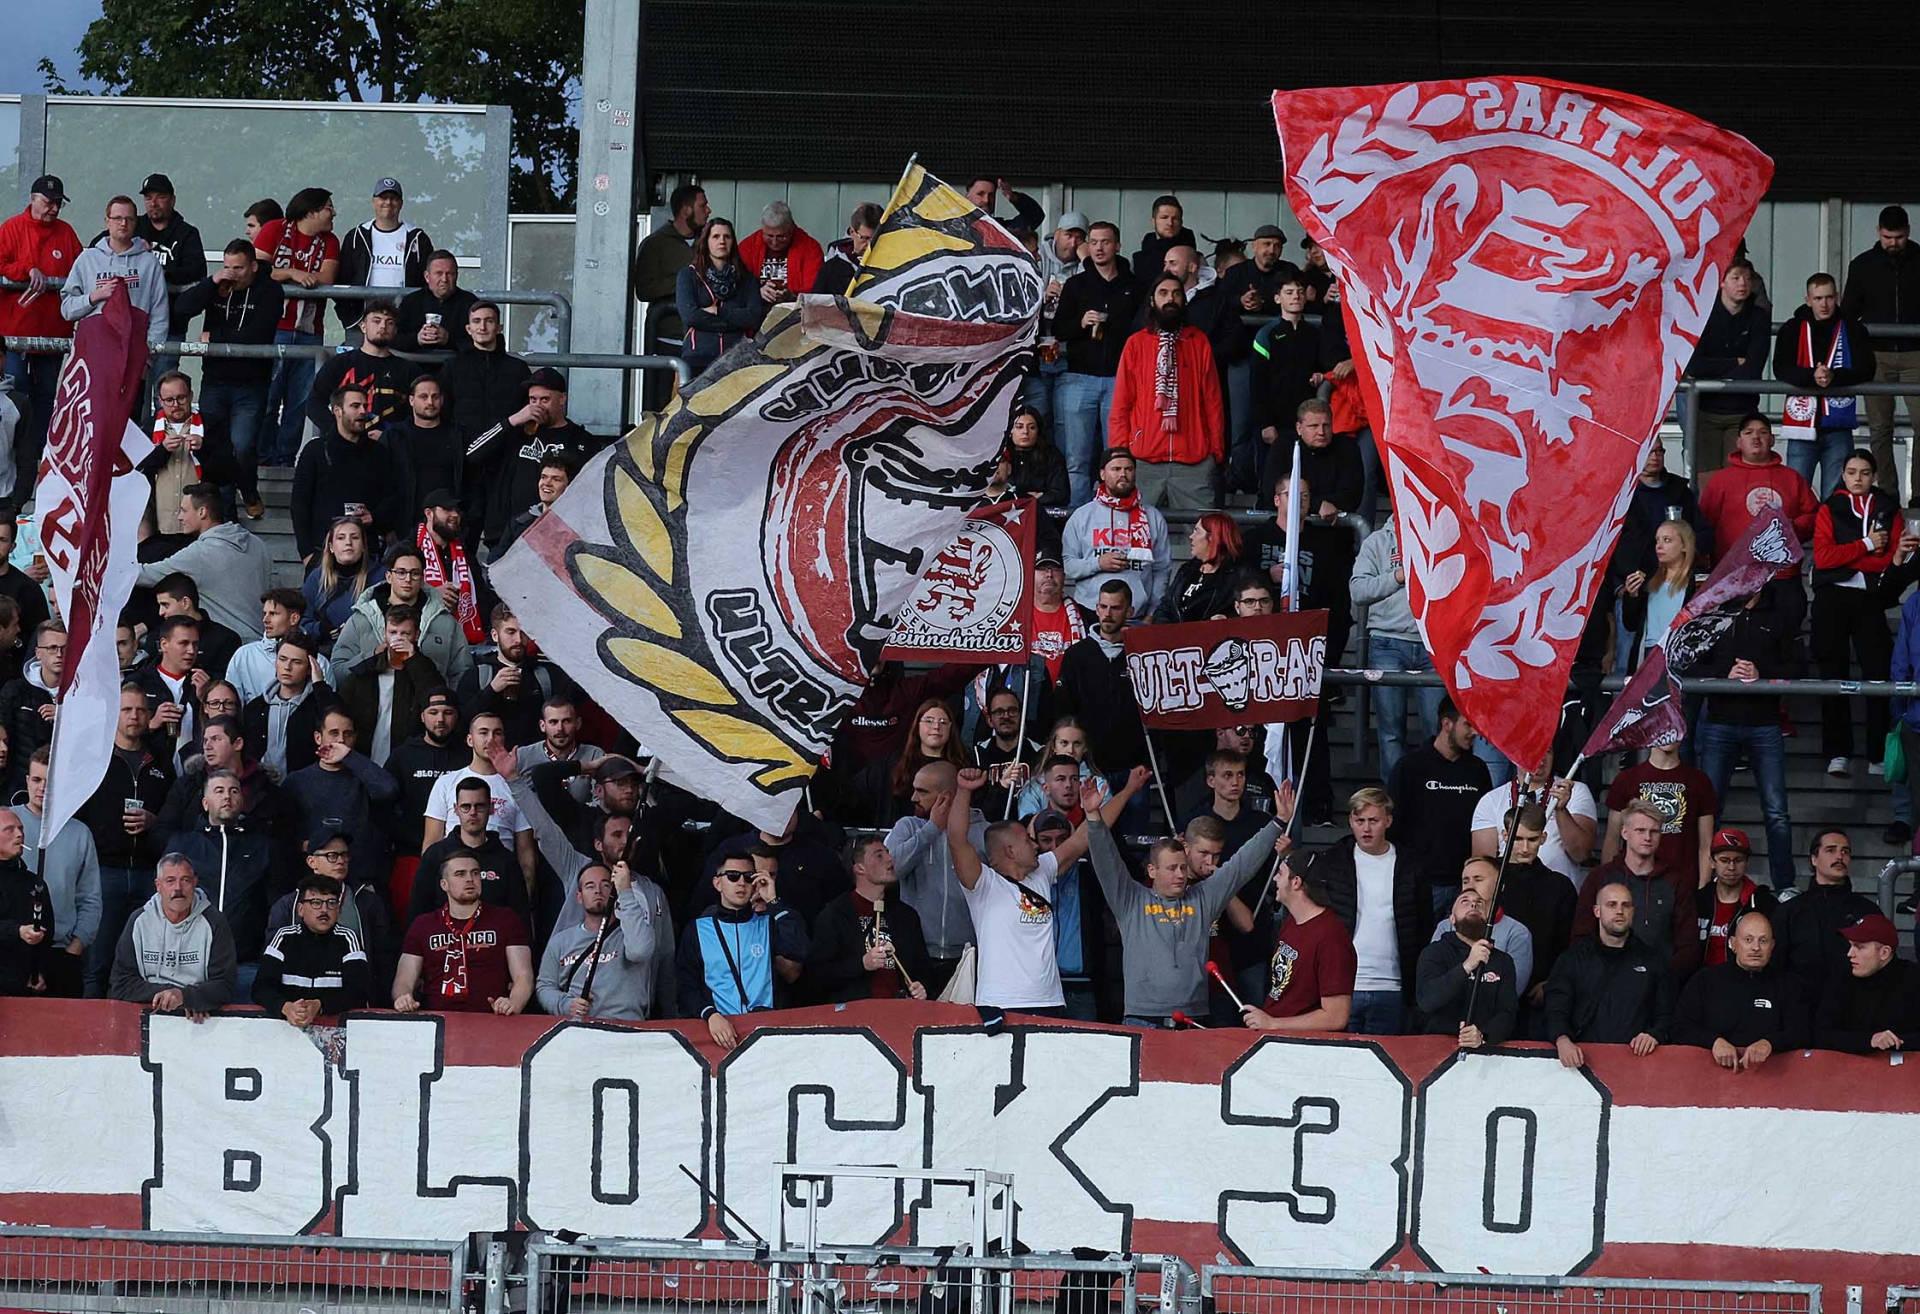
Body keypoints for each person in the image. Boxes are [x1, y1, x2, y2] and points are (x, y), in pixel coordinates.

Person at [1091, 769, 1282, 1027]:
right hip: (1142, 1017)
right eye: (1171, 868)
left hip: (1194, 1018)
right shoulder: (1130, 899)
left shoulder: (1202, 897)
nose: (1180, 875)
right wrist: (1093, 818)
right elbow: (1106, 861)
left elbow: (1242, 864)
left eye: (1183, 867)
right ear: (1152, 870)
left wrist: (1278, 822)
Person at [945, 765, 1101, 1016]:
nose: (1036, 845)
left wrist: (1125, 791)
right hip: (1001, 1004)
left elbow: (1082, 838)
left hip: (1051, 1003)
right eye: (1028, 840)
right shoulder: (983, 884)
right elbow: (956, 839)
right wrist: (963, 791)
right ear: (1010, 850)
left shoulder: (1042, 871)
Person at [1693, 584, 1800, 890]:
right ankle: (1703, 883)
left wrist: (1761, 673)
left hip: (1765, 723)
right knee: (1709, 809)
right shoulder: (1715, 615)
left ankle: (1784, 886)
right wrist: (1724, 673)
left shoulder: (1780, 616)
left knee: (1776, 811)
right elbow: (1692, 663)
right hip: (1719, 722)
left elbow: (1798, 666)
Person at [174, 241, 283, 518]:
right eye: (227, 267)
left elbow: (259, 335)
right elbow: (182, 308)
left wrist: (213, 338)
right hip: (214, 381)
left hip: (251, 384)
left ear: (254, 266)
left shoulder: (270, 290)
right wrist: (211, 282)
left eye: (239, 268)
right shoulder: (218, 286)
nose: (232, 273)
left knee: (242, 445)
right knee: (214, 447)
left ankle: (248, 490)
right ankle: (225, 512)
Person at [1307, 787, 1429, 1035]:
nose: (1366, 828)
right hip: (1342, 987)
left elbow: (1424, 924)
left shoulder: (1411, 864)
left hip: (1393, 986)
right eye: (1359, 820)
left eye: (1373, 821)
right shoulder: (1332, 861)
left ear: (1388, 821)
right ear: (1350, 821)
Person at [81, 685, 175, 997]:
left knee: (146, 963)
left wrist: (154, 822)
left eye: (140, 710)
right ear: (114, 714)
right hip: (104, 871)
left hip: (149, 872)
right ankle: (92, 1024)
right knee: (97, 961)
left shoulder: (161, 761)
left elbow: (174, 815)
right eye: (126, 710)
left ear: (149, 717)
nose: (134, 716)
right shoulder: (95, 759)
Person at [1811, 449, 1899, 775]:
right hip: (1830, 597)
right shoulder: (1828, 507)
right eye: (1851, 472)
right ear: (1843, 475)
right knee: (1832, 673)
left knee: (1878, 672)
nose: (1857, 478)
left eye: (1864, 472)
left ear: (1875, 476)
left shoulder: (1888, 508)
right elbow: (1822, 558)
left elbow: (1890, 559)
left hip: (1869, 598)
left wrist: (1848, 559)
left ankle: (1877, 754)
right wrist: (1866, 545)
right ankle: (1838, 752)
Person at [1107, 273, 1225, 509]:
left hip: (1193, 460)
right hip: (1143, 460)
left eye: (1176, 293)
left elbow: (1212, 401)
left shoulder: (1198, 341)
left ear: (1184, 300)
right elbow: (1122, 402)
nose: (1170, 299)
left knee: (1198, 528)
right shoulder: (1136, 343)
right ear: (1152, 300)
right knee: (1137, 528)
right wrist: (1120, 452)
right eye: (1163, 293)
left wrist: (1215, 450)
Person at [1054, 222, 1147, 508]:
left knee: (1118, 456)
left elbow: (1143, 331)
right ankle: (1077, 519)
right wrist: (1081, 322)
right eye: (1093, 242)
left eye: (1105, 242)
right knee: (1076, 458)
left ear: (1118, 245)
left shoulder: (1135, 286)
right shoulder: (1076, 285)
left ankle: (1116, 513)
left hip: (1120, 379)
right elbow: (1058, 330)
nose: (1098, 247)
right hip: (1078, 377)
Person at [678, 852, 809, 1048]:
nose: (741, 883)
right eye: (733, 876)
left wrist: (773, 901)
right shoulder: (698, 929)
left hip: (766, 1033)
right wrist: (709, 1014)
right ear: (717, 883)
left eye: (748, 877)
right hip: (719, 1034)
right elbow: (685, 984)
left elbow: (799, 951)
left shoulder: (769, 923)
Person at [168, 770, 281, 994]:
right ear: (205, 803)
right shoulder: (182, 845)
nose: (227, 796)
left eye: (234, 791)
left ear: (242, 801)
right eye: (219, 791)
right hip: (188, 965)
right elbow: (165, 902)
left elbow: (276, 905)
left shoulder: (263, 846)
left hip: (246, 963)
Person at [463, 367, 601, 548]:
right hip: (507, 534)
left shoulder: (582, 441)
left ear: (562, 399)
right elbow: (473, 454)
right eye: (532, 400)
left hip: (558, 538)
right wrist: (512, 421)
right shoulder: (515, 431)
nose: (537, 406)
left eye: (545, 400)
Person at [0, 175, 82, 473]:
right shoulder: (11, 229)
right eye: (49, 202)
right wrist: (26, 270)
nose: (54, 209)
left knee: (47, 396)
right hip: (15, 334)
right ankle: (11, 460)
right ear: (33, 199)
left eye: (59, 203)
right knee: (14, 394)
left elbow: (82, 269)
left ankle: (39, 462)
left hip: (53, 334)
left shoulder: (66, 233)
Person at [1546, 881, 1673, 1067]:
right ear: (1597, 911)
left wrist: (1654, 1034)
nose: (1619, 911)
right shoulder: (1572, 959)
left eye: (1626, 905)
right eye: (1612, 905)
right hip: (1581, 1064)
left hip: (1636, 1063)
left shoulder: (1654, 961)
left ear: (1633, 911)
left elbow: (1667, 1014)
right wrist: (1562, 1040)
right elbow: (1555, 1008)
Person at [1351, 517, 1442, 779]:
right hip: (1387, 642)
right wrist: (1398, 576)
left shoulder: (1441, 536)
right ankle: (1395, 797)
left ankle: (1433, 792)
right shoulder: (1378, 540)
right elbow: (1358, 590)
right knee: (1391, 731)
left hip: (1433, 643)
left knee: (1437, 730)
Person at [255, 187, 340, 464]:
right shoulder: (274, 229)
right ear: (311, 211)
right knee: (269, 398)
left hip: (309, 332)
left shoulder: (330, 241)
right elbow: (256, 270)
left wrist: (288, 276)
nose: (334, 213)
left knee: (299, 403)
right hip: (273, 328)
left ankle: (285, 460)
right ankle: (263, 458)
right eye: (328, 207)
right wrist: (293, 272)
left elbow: (326, 277)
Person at [1773, 272, 1876, 499]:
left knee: (1836, 498)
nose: (1824, 304)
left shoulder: (1853, 329)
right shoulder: (1792, 328)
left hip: (1838, 427)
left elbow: (1867, 368)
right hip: (1801, 425)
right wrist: (1812, 376)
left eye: (1829, 298)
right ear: (1808, 300)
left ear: (1837, 297)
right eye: (1818, 298)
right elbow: (1780, 368)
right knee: (1796, 496)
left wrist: (1834, 377)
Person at [393, 849, 533, 1015]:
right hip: (436, 1019)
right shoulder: (423, 925)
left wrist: (513, 1004)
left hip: (491, 1018)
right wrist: (403, 999)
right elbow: (403, 980)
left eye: (475, 873)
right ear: (444, 885)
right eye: (460, 874)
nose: (469, 879)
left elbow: (523, 977)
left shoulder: (506, 919)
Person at [1385, 698, 1490, 913]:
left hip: (1466, 885)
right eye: (1468, 725)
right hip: (1421, 885)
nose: (1475, 732)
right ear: (1446, 724)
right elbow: (1393, 825)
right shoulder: (1409, 767)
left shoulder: (1477, 769)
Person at [1843, 205, 1920, 496]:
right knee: (1879, 429)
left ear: (1908, 231)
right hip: (1876, 356)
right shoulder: (1862, 265)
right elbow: (1849, 313)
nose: (1893, 243)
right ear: (1878, 232)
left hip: (1916, 354)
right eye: (1888, 237)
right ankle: (1887, 494)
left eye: (1898, 237)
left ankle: (1919, 495)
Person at [1574, 801, 1697, 980]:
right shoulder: (1599, 878)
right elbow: (1581, 935)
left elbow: (1688, 946)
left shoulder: (1676, 882)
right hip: (1604, 981)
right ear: (1625, 833)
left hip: (1659, 982)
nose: (1648, 837)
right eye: (1640, 830)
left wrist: (1661, 978)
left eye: (1654, 831)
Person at [135, 483, 275, 641]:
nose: (180, 517)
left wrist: (112, 565)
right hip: (261, 644)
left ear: (202, 512)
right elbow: (275, 591)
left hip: (227, 646)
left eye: (184, 510)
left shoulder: (199, 553)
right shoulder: (258, 544)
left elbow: (145, 575)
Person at [1672, 910, 1810, 1068]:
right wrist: (1714, 1042)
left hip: (1771, 1076)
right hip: (1710, 1076)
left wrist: (1770, 1043)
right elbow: (1679, 1028)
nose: (1756, 947)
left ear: (1772, 945)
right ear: (1733, 943)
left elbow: (1802, 1032)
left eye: (1763, 940)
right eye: (1748, 940)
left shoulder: (1789, 985)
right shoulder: (1705, 980)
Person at [108, 853, 237, 1018]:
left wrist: (186, 997)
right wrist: (176, 997)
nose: (178, 888)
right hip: (148, 1013)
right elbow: (120, 984)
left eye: (185, 880)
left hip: (199, 1020)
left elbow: (225, 985)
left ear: (195, 883)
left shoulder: (215, 922)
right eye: (170, 881)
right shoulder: (139, 921)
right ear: (158, 886)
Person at [807, 836, 934, 1004]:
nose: (889, 858)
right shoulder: (834, 915)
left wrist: (921, 987)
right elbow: (818, 976)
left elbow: (923, 969)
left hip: (899, 1010)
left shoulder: (906, 915)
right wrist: (862, 964)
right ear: (859, 868)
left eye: (887, 853)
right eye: (879, 855)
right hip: (854, 1013)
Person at [282, 705, 396, 890]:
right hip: (312, 882)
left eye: (348, 734)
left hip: (359, 879)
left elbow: (389, 790)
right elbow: (283, 833)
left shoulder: (364, 777)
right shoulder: (297, 781)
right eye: (334, 733)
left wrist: (350, 757)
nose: (341, 740)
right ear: (318, 737)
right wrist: (304, 845)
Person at [331, 542, 476, 688]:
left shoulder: (445, 622)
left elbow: (464, 675)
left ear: (422, 579)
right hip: (373, 701)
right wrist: (373, 655)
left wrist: (445, 700)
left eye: (415, 573)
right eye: (401, 572)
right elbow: (338, 671)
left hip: (429, 701)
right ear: (389, 576)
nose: (408, 579)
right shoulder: (361, 619)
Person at [535, 859, 664, 1021]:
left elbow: (639, 951)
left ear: (614, 891)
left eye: (605, 885)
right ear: (579, 897)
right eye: (590, 886)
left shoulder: (632, 931)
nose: (598, 891)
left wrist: (625, 893)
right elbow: (544, 987)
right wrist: (567, 1004)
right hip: (578, 1028)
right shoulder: (560, 941)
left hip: (625, 1026)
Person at [1696, 415, 1818, 586]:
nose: (1756, 437)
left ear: (1772, 440)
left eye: (1763, 432)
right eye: (1749, 433)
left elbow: (1814, 516)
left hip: (1783, 574)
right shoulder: (1720, 480)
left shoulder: (1792, 478)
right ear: (1738, 442)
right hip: (1733, 575)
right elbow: (1705, 523)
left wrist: (1793, 527)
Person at [292, 384, 405, 567]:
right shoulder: (315, 451)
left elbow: (392, 498)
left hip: (367, 555)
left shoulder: (378, 452)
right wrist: (306, 554)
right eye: (355, 406)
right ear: (337, 411)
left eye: (365, 406)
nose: (363, 412)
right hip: (322, 553)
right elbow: (299, 504)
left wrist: (374, 516)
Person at [17, 749, 100, 998]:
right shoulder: (7, 823)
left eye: (50, 781)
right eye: (36, 779)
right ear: (27, 781)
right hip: (12, 949)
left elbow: (90, 897)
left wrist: (76, 947)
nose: (42, 788)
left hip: (62, 952)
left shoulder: (80, 833)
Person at [1052, 580, 1150, 786]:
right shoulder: (1076, 655)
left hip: (1134, 767)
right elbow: (1063, 711)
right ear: (1096, 609)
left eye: (1115, 608)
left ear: (1130, 611)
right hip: (1088, 768)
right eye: (1103, 607)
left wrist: (1149, 757)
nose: (1108, 614)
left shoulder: (1142, 654)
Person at [1683, 258, 1771, 480]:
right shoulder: (1703, 315)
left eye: (1747, 278)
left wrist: (1713, 370)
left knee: (1737, 481)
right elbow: (1693, 366)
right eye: (1736, 278)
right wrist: (1734, 362)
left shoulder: (1758, 317)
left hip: (1742, 411)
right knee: (1706, 483)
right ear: (1721, 282)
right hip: (1705, 411)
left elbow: (1752, 370)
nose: (1743, 283)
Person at [412, 774, 535, 927]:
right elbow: (417, 915)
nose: (473, 812)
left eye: (480, 806)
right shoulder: (435, 856)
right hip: (443, 939)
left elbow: (520, 920)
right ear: (456, 809)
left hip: (495, 939)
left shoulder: (506, 860)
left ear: (491, 808)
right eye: (466, 807)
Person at [420, 709, 535, 870]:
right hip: (455, 875)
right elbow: (431, 843)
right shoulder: (446, 783)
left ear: (503, 739)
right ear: (470, 740)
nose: (491, 739)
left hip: (500, 873)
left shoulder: (517, 786)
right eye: (483, 733)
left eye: (497, 733)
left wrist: (527, 884)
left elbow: (526, 851)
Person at [252, 873, 374, 1024]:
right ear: (300, 909)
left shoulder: (348, 939)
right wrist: (285, 1007)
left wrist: (319, 1005)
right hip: (285, 1026)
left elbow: (359, 992)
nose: (324, 910)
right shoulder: (284, 937)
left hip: (336, 1029)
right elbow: (261, 988)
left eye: (331, 903)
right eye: (316, 903)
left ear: (338, 910)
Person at [1061, 449, 1169, 616]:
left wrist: (1152, 613)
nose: (1123, 474)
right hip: (1090, 613)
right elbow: (1066, 565)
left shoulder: (1153, 517)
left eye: (1128, 469)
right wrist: (1098, 563)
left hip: (1137, 616)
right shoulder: (1082, 516)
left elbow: (1162, 569)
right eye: (1116, 469)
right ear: (1102, 474)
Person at [1773, 828, 1879, 998]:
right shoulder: (1789, 911)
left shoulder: (1867, 910)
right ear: (1814, 859)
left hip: (1855, 1005)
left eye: (1845, 851)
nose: (1839, 856)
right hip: (1799, 1006)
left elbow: (1883, 964)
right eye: (1831, 850)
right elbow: (1775, 966)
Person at [1603, 737, 1717, 892]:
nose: (1668, 735)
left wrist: (1703, 890)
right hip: (1634, 885)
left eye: (1673, 729)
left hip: (1683, 886)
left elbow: (1706, 844)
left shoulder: (1699, 781)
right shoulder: (1626, 779)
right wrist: (1608, 887)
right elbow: (1612, 838)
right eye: (1663, 728)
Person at [336, 604, 443, 768]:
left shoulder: (425, 668)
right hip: (366, 759)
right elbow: (340, 708)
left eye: (405, 634)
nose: (398, 639)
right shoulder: (367, 670)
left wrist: (413, 660)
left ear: (417, 635)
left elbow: (435, 699)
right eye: (393, 632)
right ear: (384, 632)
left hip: (408, 762)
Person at [1412, 887, 1518, 1049]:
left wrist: (1483, 1036)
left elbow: (1508, 1012)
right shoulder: (1434, 953)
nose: (1473, 905)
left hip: (1485, 1051)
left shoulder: (1503, 961)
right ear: (1452, 919)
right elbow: (1427, 1000)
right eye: (1465, 901)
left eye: (1479, 903)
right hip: (1437, 1048)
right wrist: (1467, 966)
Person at [60, 195, 169, 344]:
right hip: (95, 347)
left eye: (129, 219)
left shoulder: (149, 263)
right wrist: (94, 296)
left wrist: (149, 351)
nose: (123, 223)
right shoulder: (87, 259)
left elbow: (160, 313)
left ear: (136, 223)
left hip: (135, 346)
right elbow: (67, 309)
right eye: (117, 218)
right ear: (107, 221)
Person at [1470, 759, 1596, 888]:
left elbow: (1581, 854)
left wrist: (1561, 810)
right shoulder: (1491, 800)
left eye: (1547, 751)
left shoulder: (1575, 790)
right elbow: (1482, 868)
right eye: (1533, 752)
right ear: (1516, 756)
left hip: (1557, 893)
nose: (1541, 760)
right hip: (1508, 892)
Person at [334, 177, 433, 339]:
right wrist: (350, 318)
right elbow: (342, 280)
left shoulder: (417, 238)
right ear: (373, 201)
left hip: (404, 325)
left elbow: (428, 282)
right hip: (362, 324)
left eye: (393, 198)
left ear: (401, 203)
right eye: (383, 197)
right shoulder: (357, 236)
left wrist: (417, 318)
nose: (388, 202)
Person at [1815, 912, 1920, 1054]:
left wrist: (1897, 1042)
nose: (1850, 953)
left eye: (1859, 947)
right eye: (1850, 945)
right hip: (1849, 1066)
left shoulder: (1913, 979)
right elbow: (1821, 1035)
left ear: (1884, 953)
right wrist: (1869, 1040)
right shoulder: (1841, 979)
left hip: (1905, 1064)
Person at [675, 216, 765, 379]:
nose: (722, 241)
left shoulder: (747, 279)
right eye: (716, 236)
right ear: (706, 242)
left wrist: (719, 312)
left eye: (727, 236)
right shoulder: (688, 275)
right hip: (698, 358)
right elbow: (691, 316)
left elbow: (753, 317)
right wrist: (735, 320)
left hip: (737, 359)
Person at [1431, 856, 1534, 995]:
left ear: (1500, 885)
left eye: (1478, 879)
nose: (1470, 886)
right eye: (1465, 881)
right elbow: (1433, 984)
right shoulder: (1445, 927)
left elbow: (1512, 989)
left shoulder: (1517, 933)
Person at [306, 300, 414, 432]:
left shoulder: (409, 370)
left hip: (391, 442)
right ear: (363, 326)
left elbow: (421, 412)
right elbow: (314, 403)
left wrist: (393, 436)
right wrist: (339, 432)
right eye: (376, 321)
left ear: (395, 330)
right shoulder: (339, 364)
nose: (383, 326)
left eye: (389, 322)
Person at [633, 182, 710, 367]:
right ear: (686, 210)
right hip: (668, 339)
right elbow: (644, 290)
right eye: (702, 206)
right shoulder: (654, 244)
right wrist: (685, 281)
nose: (708, 210)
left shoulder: (711, 242)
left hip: (705, 338)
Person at [438, 300, 530, 454]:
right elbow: (442, 410)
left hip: (507, 451)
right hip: (462, 452)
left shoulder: (518, 369)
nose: (482, 327)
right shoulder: (452, 367)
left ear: (499, 328)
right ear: (468, 329)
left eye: (489, 321)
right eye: (477, 321)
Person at [240, 634, 337, 777]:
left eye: (296, 662)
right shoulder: (255, 708)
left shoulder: (318, 705)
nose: (287, 667)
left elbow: (338, 719)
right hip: (261, 786)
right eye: (282, 659)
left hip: (305, 785)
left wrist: (319, 684)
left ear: (310, 668)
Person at [1617, 516, 1699, 668]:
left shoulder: (1697, 583)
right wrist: (1632, 595)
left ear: (1684, 546)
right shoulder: (1648, 580)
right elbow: (1630, 624)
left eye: (1667, 540)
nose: (1659, 546)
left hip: (1680, 654)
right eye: (1657, 540)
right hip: (1649, 652)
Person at [228, 590, 333, 704]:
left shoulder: (318, 663)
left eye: (273, 614)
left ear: (294, 618)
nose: (265, 620)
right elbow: (230, 703)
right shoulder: (244, 655)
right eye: (265, 613)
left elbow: (329, 708)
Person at [1695, 828, 1778, 969]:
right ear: (1712, 862)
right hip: (1702, 978)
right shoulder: (1697, 900)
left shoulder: (1764, 903)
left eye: (1738, 860)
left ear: (1747, 862)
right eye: (1724, 860)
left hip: (1747, 979)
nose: (1731, 867)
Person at [418, 492, 491, 648]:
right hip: (422, 639)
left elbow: (482, 597)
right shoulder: (410, 549)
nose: (455, 515)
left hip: (465, 642)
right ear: (429, 513)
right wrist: (432, 593)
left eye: (457, 510)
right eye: (447, 509)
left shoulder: (465, 554)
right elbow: (396, 590)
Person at [302, 519, 381, 652]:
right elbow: (300, 620)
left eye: (354, 537)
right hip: (323, 652)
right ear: (331, 547)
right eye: (341, 538)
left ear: (363, 546)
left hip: (367, 651)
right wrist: (320, 629)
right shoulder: (316, 577)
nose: (348, 542)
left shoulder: (380, 576)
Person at [0, 806, 51, 996]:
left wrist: (40, 971)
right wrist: (17, 931)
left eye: (21, 828)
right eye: (9, 830)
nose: (19, 834)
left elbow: (47, 931)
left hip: (25, 986)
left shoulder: (34, 883)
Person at [1156, 512, 1242, 623]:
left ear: (1213, 537)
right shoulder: (1186, 570)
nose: (1191, 537)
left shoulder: (1237, 576)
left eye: (1197, 531)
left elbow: (1246, 613)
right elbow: (1165, 607)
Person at [737, 201, 824, 304]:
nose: (774, 242)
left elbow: (815, 291)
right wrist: (756, 292)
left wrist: (792, 295)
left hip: (795, 308)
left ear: (791, 228)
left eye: (781, 237)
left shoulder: (810, 249)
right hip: (756, 307)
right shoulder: (748, 247)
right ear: (763, 228)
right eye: (769, 236)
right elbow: (738, 284)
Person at [988, 408, 1070, 512]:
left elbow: (1061, 495)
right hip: (1004, 512)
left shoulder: (1052, 455)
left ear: (1038, 431)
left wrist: (1035, 500)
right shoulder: (999, 454)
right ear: (1010, 430)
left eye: (1032, 427)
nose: (1025, 432)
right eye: (1019, 427)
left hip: (1041, 512)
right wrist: (1029, 497)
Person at [396, 251, 478, 354]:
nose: (444, 279)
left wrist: (449, 339)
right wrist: (417, 339)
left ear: (456, 276)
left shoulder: (470, 303)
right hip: (416, 362)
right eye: (439, 273)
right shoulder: (411, 302)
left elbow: (483, 341)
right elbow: (393, 338)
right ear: (427, 276)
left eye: (449, 274)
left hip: (458, 362)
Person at [1028, 556, 1085, 684]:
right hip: (1026, 693)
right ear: (1030, 574)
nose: (1049, 574)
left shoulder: (1085, 617)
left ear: (1064, 577)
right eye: (1042, 569)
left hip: (1070, 692)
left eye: (1055, 569)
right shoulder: (1016, 617)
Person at [813, 201, 882, 297]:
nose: (870, 245)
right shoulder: (831, 269)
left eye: (876, 239)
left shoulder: (896, 265)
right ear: (852, 232)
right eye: (864, 238)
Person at [1132, 196, 1196, 286]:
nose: (1170, 223)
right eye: (1164, 217)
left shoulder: (1195, 257)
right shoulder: (1138, 259)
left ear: (1181, 223)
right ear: (1153, 222)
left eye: (1175, 218)